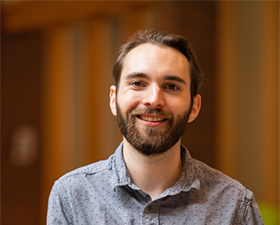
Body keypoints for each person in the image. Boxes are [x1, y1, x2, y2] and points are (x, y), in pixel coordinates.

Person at [47, 29, 264, 224]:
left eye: (171, 86)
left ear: (194, 107)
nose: (154, 100)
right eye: (138, 83)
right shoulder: (71, 196)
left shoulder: (235, 204)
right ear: (113, 99)